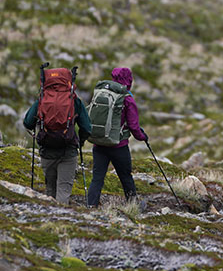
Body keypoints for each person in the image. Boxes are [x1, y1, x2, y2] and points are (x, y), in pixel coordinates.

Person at [23, 67, 91, 205]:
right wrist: (81, 141)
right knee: (64, 191)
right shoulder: (73, 99)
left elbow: (28, 122)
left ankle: (50, 221)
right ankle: (61, 223)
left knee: (50, 190)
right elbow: (87, 128)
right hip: (68, 152)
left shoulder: (42, 99)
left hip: (47, 151)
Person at [85, 66, 147, 208]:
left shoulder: (102, 93)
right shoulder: (127, 98)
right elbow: (133, 125)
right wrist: (142, 137)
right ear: (129, 80)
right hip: (118, 146)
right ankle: (133, 204)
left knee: (97, 178)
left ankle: (91, 206)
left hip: (99, 143)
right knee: (125, 177)